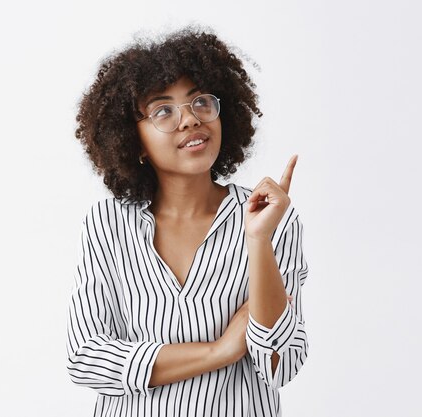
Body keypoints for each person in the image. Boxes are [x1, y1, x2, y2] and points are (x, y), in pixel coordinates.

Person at [66, 24, 310, 417]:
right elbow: (87, 357)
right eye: (163, 110)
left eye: (200, 103)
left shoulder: (270, 217)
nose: (189, 120)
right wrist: (220, 351)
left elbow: (280, 365)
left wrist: (259, 241)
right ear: (134, 140)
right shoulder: (107, 223)